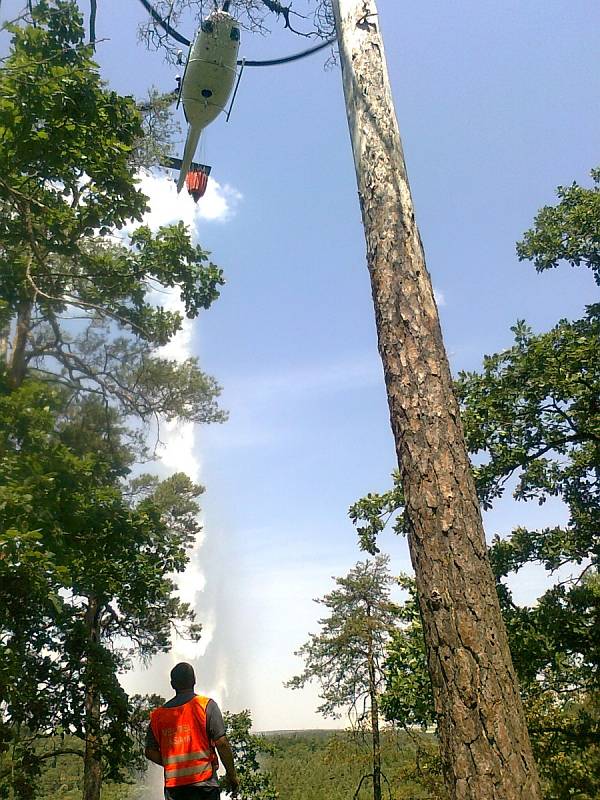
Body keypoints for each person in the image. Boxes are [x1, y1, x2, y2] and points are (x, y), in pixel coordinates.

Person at [145, 662, 240, 799]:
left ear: (172, 684)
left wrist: (173, 763)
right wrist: (232, 776)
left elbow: (150, 751)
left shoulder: (158, 716)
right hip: (205, 786)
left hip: (175, 790)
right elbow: (222, 743)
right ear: (194, 680)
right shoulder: (207, 706)